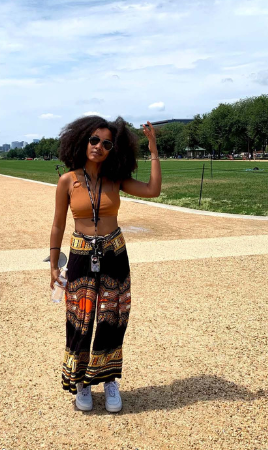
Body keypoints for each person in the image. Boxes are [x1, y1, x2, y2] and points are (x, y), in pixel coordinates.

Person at [49, 115, 161, 413]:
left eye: (107, 144)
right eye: (94, 140)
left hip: (114, 253)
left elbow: (153, 190)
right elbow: (58, 224)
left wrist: (153, 150)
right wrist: (53, 264)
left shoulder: (116, 179)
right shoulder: (68, 180)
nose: (99, 146)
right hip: (80, 255)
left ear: (114, 149)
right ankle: (82, 382)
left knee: (113, 317)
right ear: (82, 141)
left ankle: (109, 378)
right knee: (80, 319)